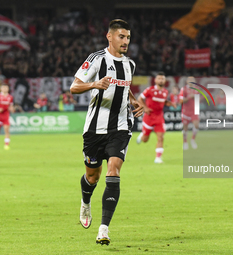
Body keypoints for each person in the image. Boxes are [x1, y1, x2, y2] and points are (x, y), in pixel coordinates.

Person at [70, 19, 144, 246]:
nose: (126, 41)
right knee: (92, 176)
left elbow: (124, 87)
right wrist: (94, 85)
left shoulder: (129, 64)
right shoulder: (96, 59)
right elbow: (74, 87)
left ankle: (104, 228)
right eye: (121, 37)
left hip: (120, 127)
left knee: (114, 169)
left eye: (128, 37)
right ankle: (85, 201)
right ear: (109, 36)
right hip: (94, 129)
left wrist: (134, 100)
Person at [136, 72, 176, 163]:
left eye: (162, 78)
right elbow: (140, 98)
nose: (161, 80)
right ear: (155, 80)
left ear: (165, 80)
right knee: (145, 140)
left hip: (159, 117)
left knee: (161, 137)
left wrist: (169, 103)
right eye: (159, 78)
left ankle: (158, 158)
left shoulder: (165, 92)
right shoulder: (149, 90)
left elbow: (163, 101)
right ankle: (142, 135)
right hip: (149, 117)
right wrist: (145, 108)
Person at [179, 76, 199, 150]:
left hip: (194, 110)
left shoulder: (197, 88)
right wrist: (189, 97)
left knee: (196, 125)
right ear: (187, 81)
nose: (191, 81)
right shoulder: (183, 89)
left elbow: (199, 100)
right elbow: (181, 101)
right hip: (185, 111)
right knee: (185, 128)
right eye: (189, 80)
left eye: (192, 79)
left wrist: (195, 97)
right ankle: (185, 142)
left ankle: (193, 139)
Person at [0, 84, 14, 150]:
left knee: (7, 130)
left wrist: (12, 109)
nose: (5, 89)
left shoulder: (10, 97)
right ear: (1, 89)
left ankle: (6, 145)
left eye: (6, 88)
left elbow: (10, 105)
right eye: (4, 88)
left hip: (6, 115)